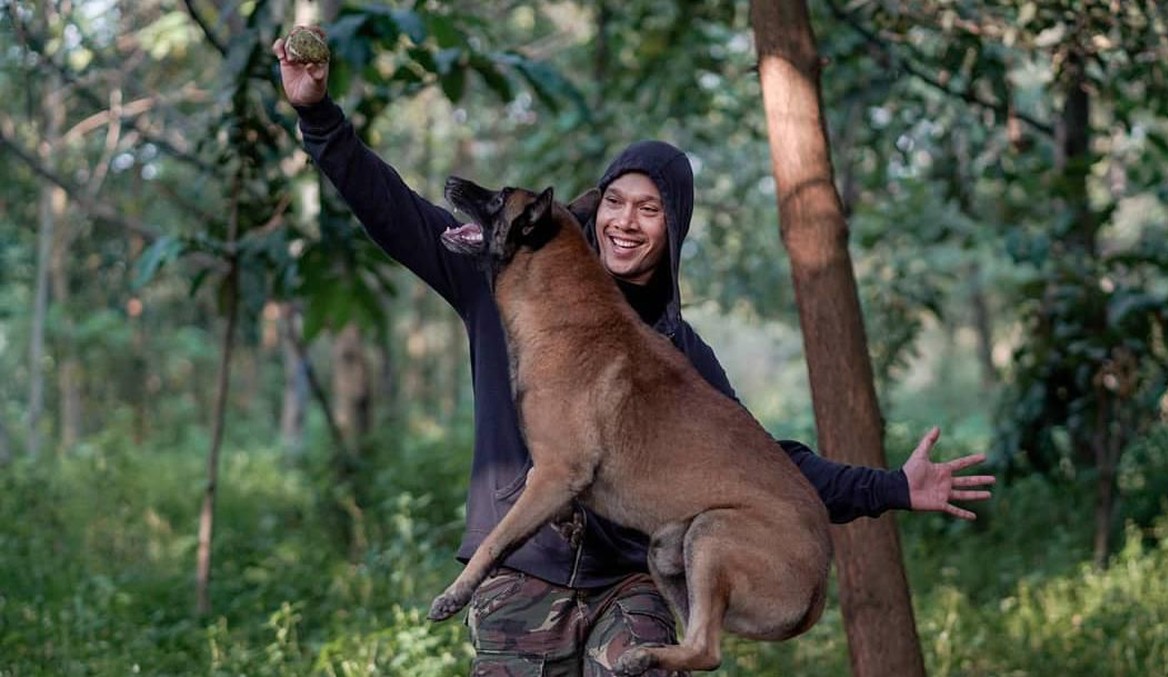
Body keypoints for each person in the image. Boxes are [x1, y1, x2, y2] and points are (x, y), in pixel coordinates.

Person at [273, 31, 995, 676]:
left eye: (649, 209)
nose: (626, 221)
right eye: (617, 200)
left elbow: (764, 462)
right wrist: (319, 117)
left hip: (631, 582)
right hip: (520, 577)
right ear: (594, 206)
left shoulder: (675, 350)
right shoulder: (503, 276)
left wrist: (891, 488)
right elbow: (393, 210)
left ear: (672, 229)